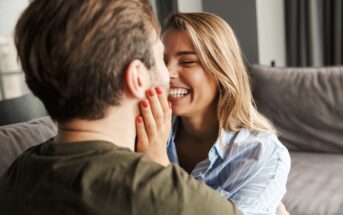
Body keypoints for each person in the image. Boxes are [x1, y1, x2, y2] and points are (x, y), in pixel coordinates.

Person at [0, 1, 243, 215]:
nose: (168, 73)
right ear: (137, 78)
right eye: (161, 57)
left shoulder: (17, 174)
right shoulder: (178, 198)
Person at [136, 12, 291, 215]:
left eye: (187, 62)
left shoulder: (264, 154)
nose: (168, 74)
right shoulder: (146, 135)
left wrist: (160, 169)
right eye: (163, 62)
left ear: (221, 70)